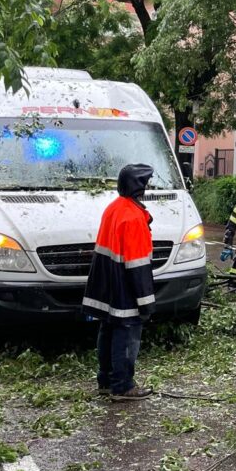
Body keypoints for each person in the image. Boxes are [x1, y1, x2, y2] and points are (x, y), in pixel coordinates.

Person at [82, 164, 156, 401]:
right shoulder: (133, 217)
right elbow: (138, 265)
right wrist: (146, 303)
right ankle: (122, 386)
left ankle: (105, 381)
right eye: (146, 183)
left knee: (108, 328)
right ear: (139, 186)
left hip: (107, 282)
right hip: (124, 285)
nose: (148, 187)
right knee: (127, 332)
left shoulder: (114, 208)